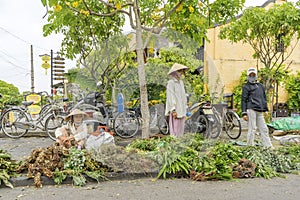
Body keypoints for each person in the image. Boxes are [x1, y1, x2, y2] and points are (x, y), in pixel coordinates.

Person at [241, 68, 273, 148]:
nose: (252, 76)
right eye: (250, 75)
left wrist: (265, 109)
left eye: (253, 75)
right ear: (248, 76)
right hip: (251, 109)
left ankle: (268, 146)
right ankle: (250, 147)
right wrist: (244, 112)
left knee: (264, 129)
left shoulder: (260, 86)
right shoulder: (246, 87)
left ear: (256, 76)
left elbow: (263, 98)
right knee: (252, 128)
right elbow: (243, 100)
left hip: (260, 110)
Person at [165, 63, 189, 137]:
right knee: (175, 130)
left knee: (181, 130)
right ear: (174, 73)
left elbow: (183, 96)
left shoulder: (181, 83)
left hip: (182, 109)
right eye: (179, 71)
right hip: (175, 110)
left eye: (182, 71)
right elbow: (170, 97)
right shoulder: (171, 83)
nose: (181, 73)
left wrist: (186, 107)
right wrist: (173, 110)